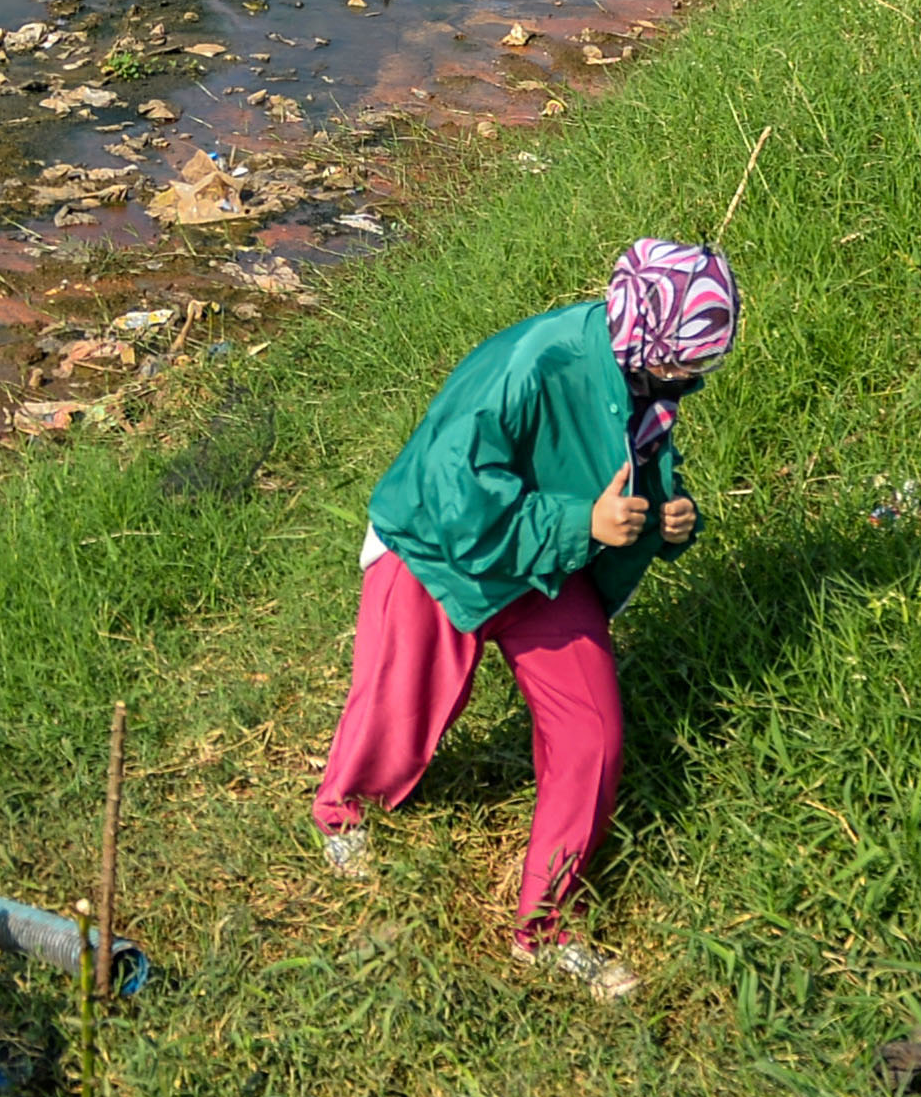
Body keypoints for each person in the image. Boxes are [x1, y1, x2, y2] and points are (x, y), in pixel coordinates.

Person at [312, 238, 735, 999]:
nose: (700, 376)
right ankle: (342, 812)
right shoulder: (535, 363)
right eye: (693, 360)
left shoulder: (644, 375)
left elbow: (637, 468)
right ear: (651, 336)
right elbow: (455, 501)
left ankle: (545, 927)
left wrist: (673, 519)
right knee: (398, 703)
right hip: (438, 549)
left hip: (546, 559)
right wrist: (583, 526)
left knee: (593, 734)